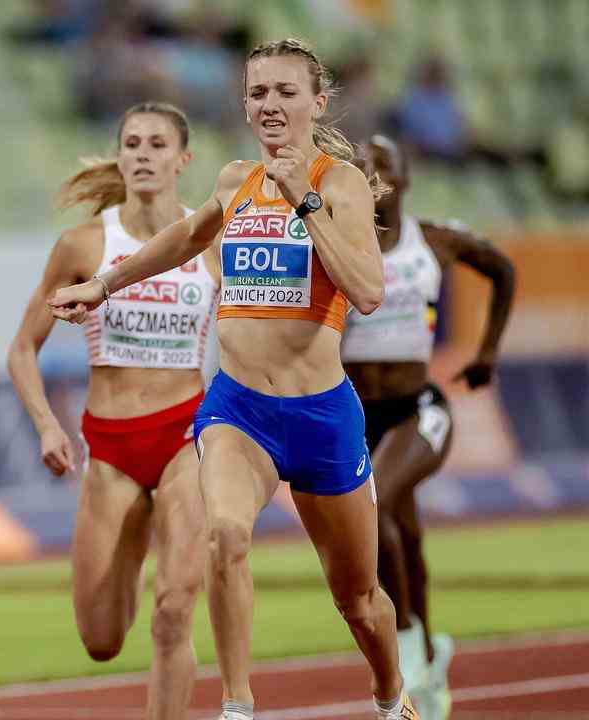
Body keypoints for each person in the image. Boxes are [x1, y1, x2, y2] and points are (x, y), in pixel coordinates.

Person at [48, 38, 419, 720]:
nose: (269, 105)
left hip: (320, 416)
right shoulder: (233, 181)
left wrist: (303, 199)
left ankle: (391, 696)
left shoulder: (338, 184)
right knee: (224, 535)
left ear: (317, 101)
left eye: (284, 92)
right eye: (257, 93)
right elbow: (186, 239)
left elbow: (366, 291)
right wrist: (103, 283)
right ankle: (237, 706)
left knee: (359, 602)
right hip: (239, 408)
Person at [8, 101, 219, 720]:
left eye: (158, 144)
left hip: (187, 435)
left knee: (175, 610)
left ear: (183, 160)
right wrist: (47, 423)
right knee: (101, 641)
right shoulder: (85, 244)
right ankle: (133, 534)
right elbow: (23, 348)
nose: (144, 154)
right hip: (112, 447)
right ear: (120, 155)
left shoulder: (210, 244)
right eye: (132, 143)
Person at [344, 134, 515, 720]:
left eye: (388, 161)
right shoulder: (337, 246)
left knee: (378, 504)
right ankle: (431, 654)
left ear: (407, 176)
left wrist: (488, 350)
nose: (377, 170)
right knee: (402, 530)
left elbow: (502, 267)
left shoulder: (433, 240)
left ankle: (411, 650)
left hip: (419, 408)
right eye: (366, 164)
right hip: (355, 415)